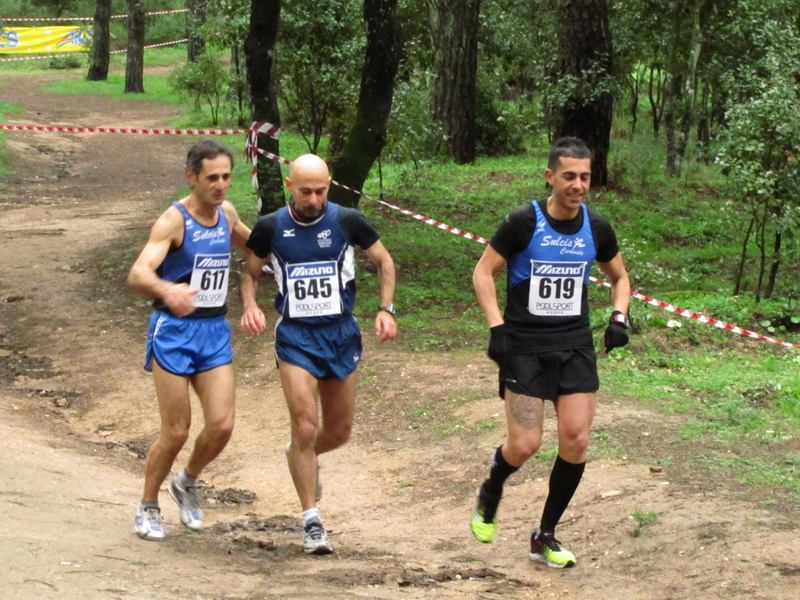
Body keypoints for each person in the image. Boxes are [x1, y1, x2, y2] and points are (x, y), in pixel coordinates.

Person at [470, 136, 631, 568]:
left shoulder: (596, 228)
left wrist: (619, 316)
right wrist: (497, 328)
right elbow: (483, 272)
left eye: (585, 177)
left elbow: (620, 278)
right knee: (524, 444)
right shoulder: (525, 221)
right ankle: (493, 486)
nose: (578, 185)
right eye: (569, 177)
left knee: (576, 440)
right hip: (524, 347)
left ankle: (545, 535)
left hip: (573, 345)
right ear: (550, 177)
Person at [240, 154, 397, 555]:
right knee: (307, 426)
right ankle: (312, 522)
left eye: (320, 191)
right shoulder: (271, 226)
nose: (313, 199)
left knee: (339, 433)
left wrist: (386, 308)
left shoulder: (347, 221)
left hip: (341, 334)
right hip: (295, 336)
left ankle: (301, 457)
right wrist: (250, 305)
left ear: (329, 185)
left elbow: (383, 260)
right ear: (290, 185)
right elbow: (250, 272)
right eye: (305, 191)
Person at [128, 139, 251, 540]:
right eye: (212, 178)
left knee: (223, 425)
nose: (220, 186)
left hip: (214, 331)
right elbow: (138, 274)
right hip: (174, 333)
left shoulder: (227, 214)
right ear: (192, 177)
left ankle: (186, 481)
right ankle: (148, 505)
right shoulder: (173, 221)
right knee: (176, 430)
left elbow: (257, 244)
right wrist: (168, 290)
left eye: (226, 177)